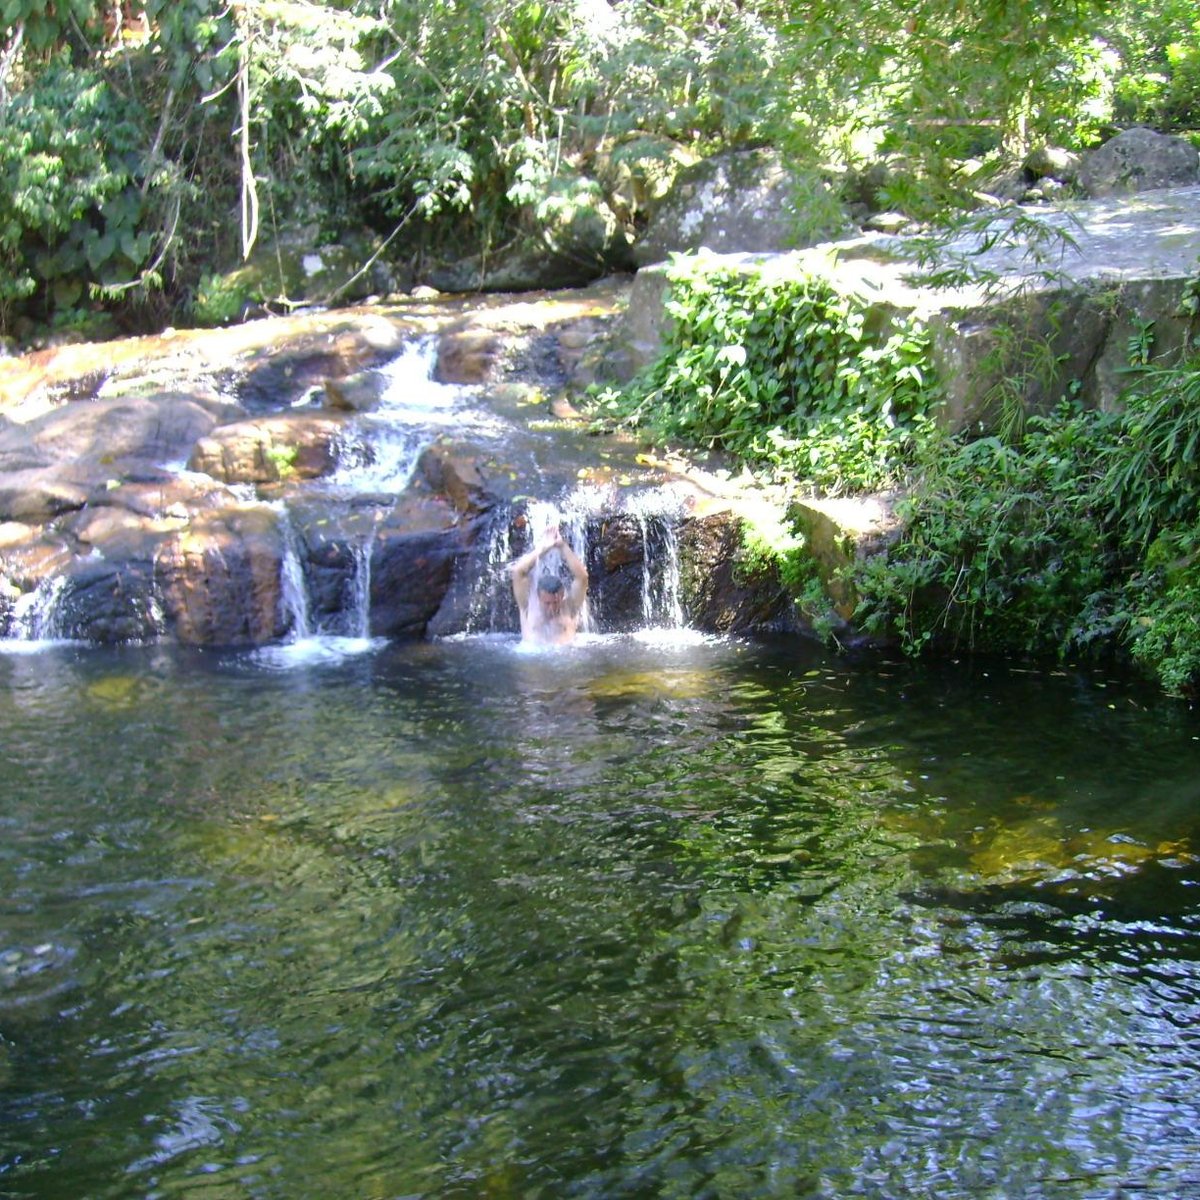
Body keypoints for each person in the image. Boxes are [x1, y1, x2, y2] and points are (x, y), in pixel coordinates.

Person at [508, 523, 589, 645]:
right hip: (534, 660)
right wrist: (543, 548)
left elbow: (582, 577)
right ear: (539, 597)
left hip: (565, 659)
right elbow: (518, 572)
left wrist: (562, 546)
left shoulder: (570, 607)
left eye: (555, 602)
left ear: (562, 595)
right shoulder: (528, 606)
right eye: (547, 603)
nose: (551, 608)